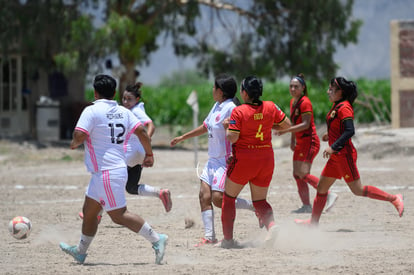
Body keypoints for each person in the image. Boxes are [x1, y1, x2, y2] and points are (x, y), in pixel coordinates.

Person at [59, 74, 168, 265]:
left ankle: (157, 239)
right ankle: (80, 251)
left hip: (106, 171)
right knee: (90, 211)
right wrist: (149, 154)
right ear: (115, 93)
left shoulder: (91, 111)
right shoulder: (123, 111)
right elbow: (142, 131)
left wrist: (74, 143)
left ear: (95, 92)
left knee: (119, 215)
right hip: (107, 171)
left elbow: (79, 135)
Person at [295, 77, 404, 226]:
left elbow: (349, 131)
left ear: (341, 92)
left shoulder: (344, 107)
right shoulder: (336, 106)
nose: (328, 91)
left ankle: (394, 199)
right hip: (336, 156)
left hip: (344, 155)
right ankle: (313, 223)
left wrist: (333, 146)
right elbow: (340, 128)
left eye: (332, 89)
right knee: (321, 187)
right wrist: (330, 136)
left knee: (357, 190)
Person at [170, 73, 255, 247]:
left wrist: (233, 142)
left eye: (214, 87)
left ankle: (253, 206)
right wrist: (183, 137)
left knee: (218, 198)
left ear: (221, 91)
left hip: (225, 161)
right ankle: (209, 237)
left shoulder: (232, 108)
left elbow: (241, 131)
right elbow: (206, 126)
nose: (212, 90)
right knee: (204, 195)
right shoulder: (217, 105)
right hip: (212, 160)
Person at [220, 75, 291, 248]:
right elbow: (287, 125)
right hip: (266, 158)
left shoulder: (239, 111)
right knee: (260, 201)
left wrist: (227, 126)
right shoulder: (271, 106)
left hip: (244, 159)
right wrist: (268, 125)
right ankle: (272, 226)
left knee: (228, 199)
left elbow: (233, 137)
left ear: (244, 93)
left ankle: (228, 240)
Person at [275, 73, 337, 213]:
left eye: (296, 86)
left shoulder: (305, 102)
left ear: (303, 88)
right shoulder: (293, 102)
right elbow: (294, 122)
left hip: (310, 142)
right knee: (297, 174)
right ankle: (306, 206)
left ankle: (329, 194)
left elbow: (305, 124)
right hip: (300, 142)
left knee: (303, 173)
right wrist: (292, 139)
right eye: (291, 86)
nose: (292, 89)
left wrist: (286, 131)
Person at [122, 82, 172, 212]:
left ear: (137, 99)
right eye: (124, 98)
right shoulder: (134, 109)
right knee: (131, 187)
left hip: (131, 152)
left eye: (129, 99)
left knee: (109, 180)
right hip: (138, 153)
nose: (126, 102)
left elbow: (151, 125)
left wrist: (147, 139)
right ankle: (160, 193)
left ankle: (95, 213)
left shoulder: (136, 110)